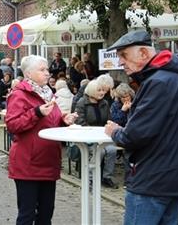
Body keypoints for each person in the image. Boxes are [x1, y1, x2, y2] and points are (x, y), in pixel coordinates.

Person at [103, 31, 178, 225]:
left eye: (124, 56)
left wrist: (115, 131)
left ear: (144, 53)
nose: (120, 62)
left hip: (151, 179)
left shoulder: (157, 82)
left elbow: (134, 136)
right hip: (173, 178)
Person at [6, 55, 77, 225]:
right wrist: (36, 113)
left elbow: (52, 119)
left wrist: (63, 120)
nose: (48, 73)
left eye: (47, 69)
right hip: (28, 163)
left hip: (49, 161)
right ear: (29, 74)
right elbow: (13, 125)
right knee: (27, 214)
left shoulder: (48, 93)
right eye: (42, 69)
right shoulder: (19, 95)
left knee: (46, 214)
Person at [74, 78, 118, 188]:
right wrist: (93, 134)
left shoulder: (104, 103)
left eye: (103, 90)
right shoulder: (82, 103)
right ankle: (89, 178)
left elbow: (109, 119)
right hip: (87, 135)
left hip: (102, 135)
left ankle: (106, 177)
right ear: (92, 91)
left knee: (112, 150)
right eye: (99, 90)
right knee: (99, 152)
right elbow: (80, 121)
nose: (102, 93)